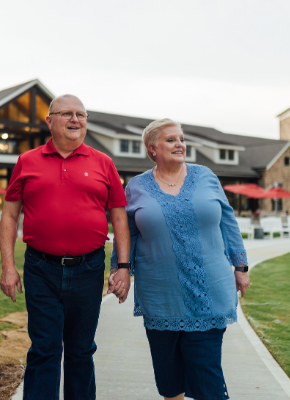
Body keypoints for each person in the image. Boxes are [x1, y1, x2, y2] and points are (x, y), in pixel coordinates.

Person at [0, 94, 132, 400]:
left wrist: (123, 267)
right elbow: (9, 215)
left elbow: (119, 218)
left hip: (88, 269)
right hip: (40, 268)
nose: (75, 120)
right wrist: (8, 267)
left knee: (81, 351)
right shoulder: (27, 161)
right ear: (49, 121)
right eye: (67, 113)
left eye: (81, 115)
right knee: (44, 349)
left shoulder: (103, 163)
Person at [109, 118, 250, 400]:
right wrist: (120, 269)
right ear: (152, 149)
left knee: (207, 380)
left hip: (209, 291)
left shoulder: (206, 176)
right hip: (161, 296)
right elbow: (128, 233)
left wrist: (241, 265)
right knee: (170, 381)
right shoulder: (136, 186)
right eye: (171, 140)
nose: (180, 145)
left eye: (182, 139)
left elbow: (228, 221)